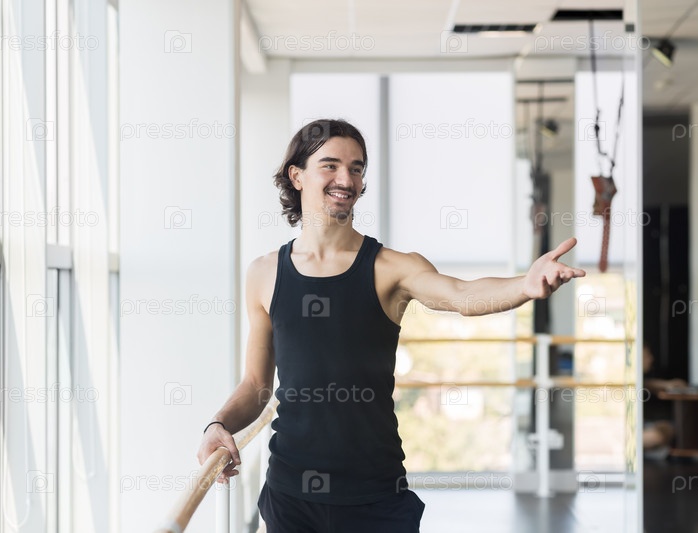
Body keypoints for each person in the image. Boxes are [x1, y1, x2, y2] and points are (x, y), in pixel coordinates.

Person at [196, 119, 586, 532]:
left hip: (376, 496)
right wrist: (218, 424)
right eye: (330, 165)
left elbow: (462, 295)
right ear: (297, 176)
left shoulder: (392, 268)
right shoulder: (264, 274)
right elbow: (256, 385)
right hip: (290, 497)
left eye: (356, 168)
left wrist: (524, 286)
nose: (346, 179)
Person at [642, 343, 687, 452]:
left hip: (642, 425)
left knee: (668, 428)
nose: (651, 359)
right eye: (647, 356)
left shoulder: (641, 380)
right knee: (658, 435)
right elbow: (647, 384)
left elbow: (647, 383)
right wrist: (666, 384)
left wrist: (666, 385)